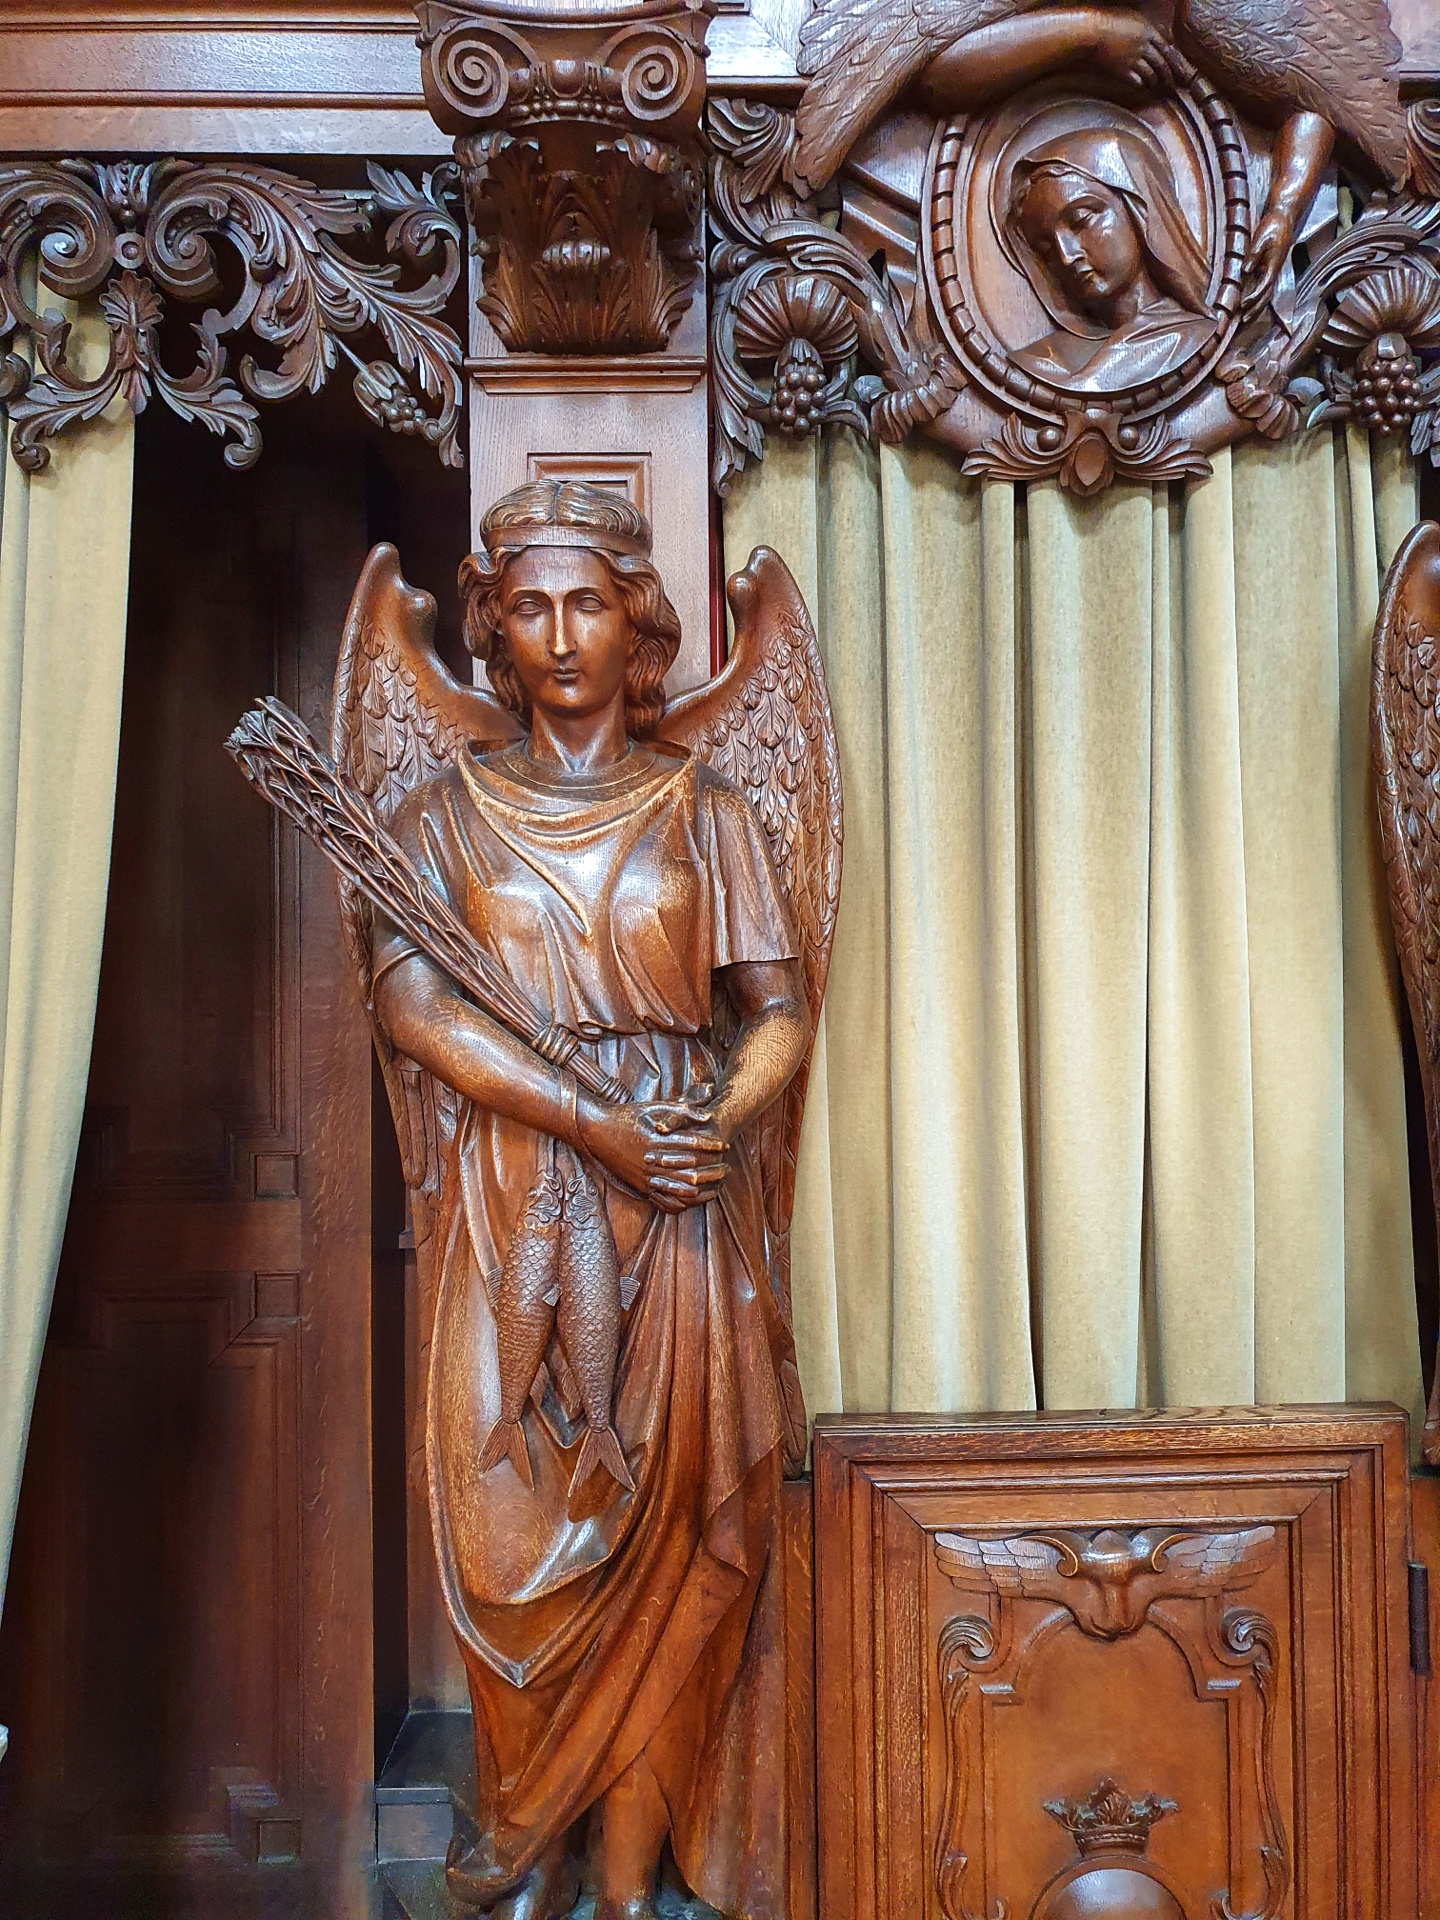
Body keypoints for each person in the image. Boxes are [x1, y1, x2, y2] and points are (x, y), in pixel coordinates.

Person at [370, 479, 811, 1920]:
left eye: (588, 605)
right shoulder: (436, 817)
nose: (559, 636)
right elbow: (418, 1012)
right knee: (515, 1551)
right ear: (492, 628)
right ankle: (524, 1857)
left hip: (675, 1215)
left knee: (675, 1549)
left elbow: (779, 1014)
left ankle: (624, 1883)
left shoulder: (707, 810)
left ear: (640, 628)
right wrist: (591, 1121)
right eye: (529, 608)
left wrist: (708, 1121)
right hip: (511, 1199)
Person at [999, 122, 1217, 391]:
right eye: (1046, 250)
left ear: (1136, 208)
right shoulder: (1045, 363)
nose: (1066, 256)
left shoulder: (1194, 337)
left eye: (1081, 221)